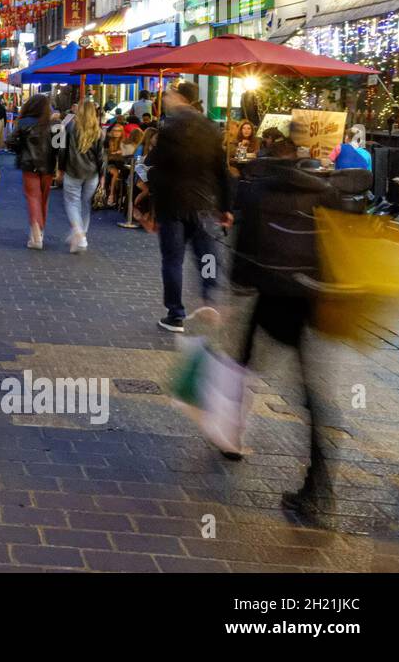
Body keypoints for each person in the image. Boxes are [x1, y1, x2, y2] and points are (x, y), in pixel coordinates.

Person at [230, 157, 342, 519]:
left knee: (243, 361)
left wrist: (240, 282)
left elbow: (245, 248)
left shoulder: (261, 191)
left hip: (272, 293)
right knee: (313, 392)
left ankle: (230, 432)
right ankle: (320, 487)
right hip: (311, 300)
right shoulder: (327, 193)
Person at [147, 81, 233, 333]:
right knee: (206, 253)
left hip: (173, 205)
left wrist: (153, 208)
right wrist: (226, 206)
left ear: (181, 97)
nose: (167, 98)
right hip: (204, 204)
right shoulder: (211, 128)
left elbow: (156, 170)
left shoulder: (169, 127)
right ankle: (210, 296)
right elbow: (222, 171)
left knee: (173, 260)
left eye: (171, 94)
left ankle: (175, 314)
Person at [10, 94, 57, 250]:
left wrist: (21, 149)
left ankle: (36, 232)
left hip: (29, 164)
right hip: (49, 166)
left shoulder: (23, 123)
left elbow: (10, 141)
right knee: (44, 198)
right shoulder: (56, 124)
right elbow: (61, 147)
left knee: (33, 198)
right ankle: (39, 230)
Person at [57, 101, 106, 254]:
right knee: (85, 204)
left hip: (73, 171)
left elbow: (62, 150)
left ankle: (78, 231)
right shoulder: (98, 132)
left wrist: (60, 169)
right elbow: (101, 157)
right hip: (92, 173)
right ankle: (82, 237)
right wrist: (103, 175)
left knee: (72, 203)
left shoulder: (70, 127)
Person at [103, 123, 128, 207]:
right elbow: (106, 156)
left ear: (122, 132)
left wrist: (121, 152)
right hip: (109, 164)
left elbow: (127, 154)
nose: (116, 133)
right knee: (115, 173)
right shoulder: (107, 141)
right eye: (115, 131)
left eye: (119, 131)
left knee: (126, 172)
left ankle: (123, 197)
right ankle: (111, 195)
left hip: (121, 164)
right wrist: (116, 153)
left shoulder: (124, 142)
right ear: (112, 132)